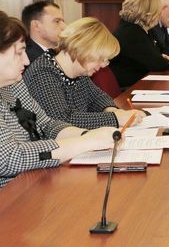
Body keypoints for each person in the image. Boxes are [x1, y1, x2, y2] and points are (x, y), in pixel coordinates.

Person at [0, 11, 117, 187]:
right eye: (19, 53)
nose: (26, 61)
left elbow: (46, 124)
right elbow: (10, 158)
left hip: (31, 181)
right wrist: (85, 142)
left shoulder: (15, 83)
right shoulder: (38, 73)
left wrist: (88, 135)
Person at [23, 17, 144, 129]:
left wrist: (114, 111)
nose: (103, 65)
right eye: (101, 58)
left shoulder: (79, 70)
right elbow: (62, 120)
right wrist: (115, 118)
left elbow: (96, 97)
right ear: (83, 49)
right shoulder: (42, 73)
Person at [110, 0, 169, 89]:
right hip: (128, 90)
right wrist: (167, 62)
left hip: (138, 85)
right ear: (150, 12)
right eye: (158, 10)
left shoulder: (138, 28)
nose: (159, 14)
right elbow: (158, 64)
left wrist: (162, 58)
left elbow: (154, 54)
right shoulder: (131, 32)